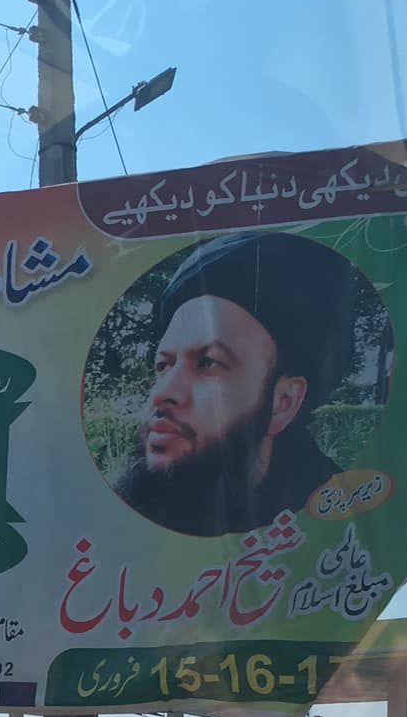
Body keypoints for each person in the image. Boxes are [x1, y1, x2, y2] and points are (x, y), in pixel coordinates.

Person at [110, 230, 359, 536]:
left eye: (208, 363)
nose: (163, 393)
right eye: (164, 366)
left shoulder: (334, 527)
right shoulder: (118, 521)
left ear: (283, 403)